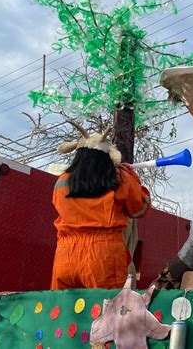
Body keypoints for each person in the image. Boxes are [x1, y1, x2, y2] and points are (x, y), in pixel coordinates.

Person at [50, 124, 151, 290]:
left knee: (63, 311)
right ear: (106, 156)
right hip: (103, 256)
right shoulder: (119, 177)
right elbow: (140, 209)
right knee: (107, 312)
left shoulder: (61, 181)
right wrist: (132, 177)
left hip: (65, 255)